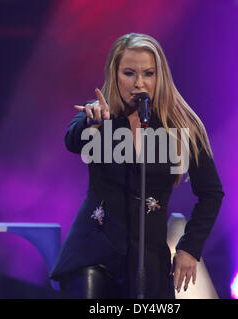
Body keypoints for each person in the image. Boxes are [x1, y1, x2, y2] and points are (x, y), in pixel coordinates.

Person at [50, 33, 224, 299]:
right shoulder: (98, 114)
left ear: (160, 77)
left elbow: (211, 192)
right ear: (115, 74)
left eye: (148, 73)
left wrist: (189, 248)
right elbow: (73, 140)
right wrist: (93, 125)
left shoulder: (182, 127)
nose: (139, 83)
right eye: (129, 73)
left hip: (149, 260)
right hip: (94, 253)